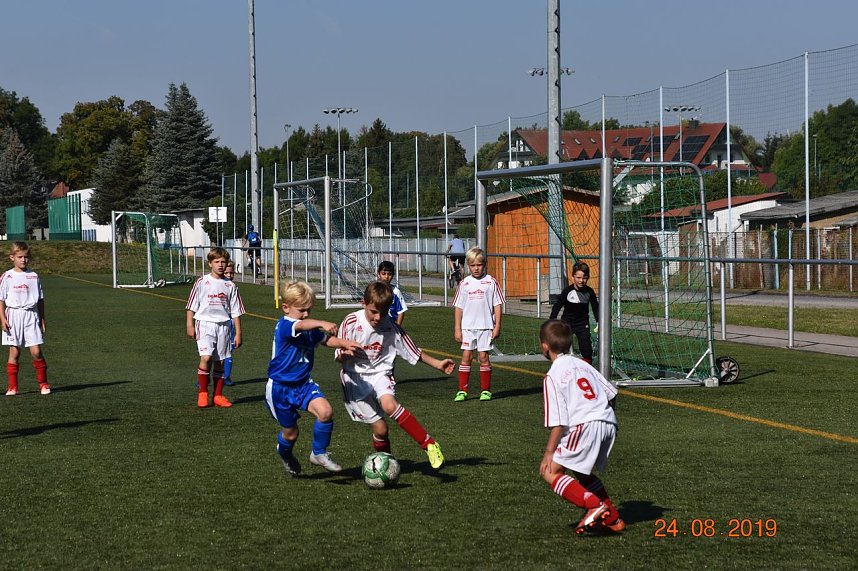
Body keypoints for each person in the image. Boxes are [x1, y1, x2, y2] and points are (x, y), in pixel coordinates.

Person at [337, 281, 454, 469]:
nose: (378, 317)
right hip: (355, 378)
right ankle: (388, 464)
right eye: (373, 312)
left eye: (383, 313)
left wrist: (438, 364)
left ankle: (429, 443)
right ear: (363, 304)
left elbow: (414, 351)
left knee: (390, 405)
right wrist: (343, 353)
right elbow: (338, 350)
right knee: (381, 430)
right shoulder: (351, 322)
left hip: (381, 373)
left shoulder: (391, 327)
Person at [266, 281, 361, 476]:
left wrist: (344, 343)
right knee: (291, 434)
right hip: (279, 388)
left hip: (303, 384)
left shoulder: (308, 327)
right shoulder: (285, 325)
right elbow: (301, 324)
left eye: (309, 310)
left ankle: (318, 453)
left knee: (325, 412)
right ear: (286, 307)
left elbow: (324, 339)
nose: (306, 314)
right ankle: (285, 453)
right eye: (302, 310)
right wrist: (322, 322)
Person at [539, 319, 624, 535]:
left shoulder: (553, 375)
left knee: (551, 471)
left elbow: (559, 422)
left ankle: (595, 506)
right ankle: (613, 518)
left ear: (544, 346)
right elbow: (612, 394)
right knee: (580, 471)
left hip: (585, 425)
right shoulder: (583, 364)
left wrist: (548, 453)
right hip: (608, 422)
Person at [186, 247, 245, 408]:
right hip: (204, 324)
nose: (220, 265)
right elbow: (191, 305)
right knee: (206, 357)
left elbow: (235, 312)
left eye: (223, 262)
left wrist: (238, 333)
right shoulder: (202, 282)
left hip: (224, 327)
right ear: (210, 263)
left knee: (220, 362)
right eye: (217, 262)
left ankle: (218, 395)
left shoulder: (230, 286)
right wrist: (189, 324)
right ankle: (203, 393)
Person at [453, 247, 504, 402]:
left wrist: (497, 326)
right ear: (468, 266)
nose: (476, 268)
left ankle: (485, 390)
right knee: (466, 356)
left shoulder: (491, 282)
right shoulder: (464, 283)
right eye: (473, 265)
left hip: (485, 326)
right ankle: (462, 390)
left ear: (484, 264)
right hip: (467, 327)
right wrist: (457, 328)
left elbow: (497, 305)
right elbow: (458, 307)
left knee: (483, 357)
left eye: (479, 265)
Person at [0, 242, 50, 396]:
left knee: (36, 352)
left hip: (31, 316)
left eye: (26, 257)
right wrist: (2, 319)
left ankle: (43, 383)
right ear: (12, 257)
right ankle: (13, 387)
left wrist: (42, 318)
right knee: (14, 352)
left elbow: (40, 300)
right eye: (20, 257)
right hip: (13, 316)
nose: (23, 260)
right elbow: (1, 300)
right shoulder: (7, 276)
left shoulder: (33, 276)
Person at [549, 262, 599, 365]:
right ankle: (560, 369)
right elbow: (557, 306)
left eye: (584, 278)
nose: (581, 280)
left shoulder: (589, 292)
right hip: (567, 324)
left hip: (582, 324)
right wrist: (552, 321)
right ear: (573, 277)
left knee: (586, 349)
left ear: (588, 277)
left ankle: (587, 370)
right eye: (578, 277)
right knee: (562, 349)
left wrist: (599, 321)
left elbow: (595, 307)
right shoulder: (567, 291)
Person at [376, 260, 408, 326]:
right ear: (378, 274)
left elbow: (401, 311)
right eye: (383, 274)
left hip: (391, 327)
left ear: (393, 275)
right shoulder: (374, 290)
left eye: (389, 274)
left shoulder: (396, 292)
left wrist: (398, 327)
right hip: (377, 325)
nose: (386, 277)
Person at [222, 261, 237, 386]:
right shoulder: (216, 285)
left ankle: (226, 377)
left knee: (228, 350)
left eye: (231, 273)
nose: (229, 275)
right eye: (226, 272)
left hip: (230, 322)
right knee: (210, 352)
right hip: (216, 322)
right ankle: (203, 379)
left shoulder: (233, 287)